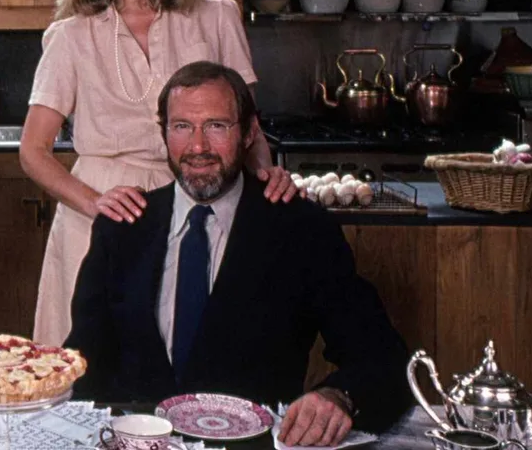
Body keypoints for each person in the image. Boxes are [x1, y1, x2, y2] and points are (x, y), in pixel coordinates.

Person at [64, 62, 414, 447]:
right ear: (163, 132)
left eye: (216, 126)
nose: (198, 147)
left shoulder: (301, 230)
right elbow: (81, 364)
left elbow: (384, 359)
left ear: (249, 133)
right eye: (182, 126)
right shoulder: (123, 227)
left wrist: (339, 396)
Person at [20, 0, 297, 347]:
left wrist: (268, 180)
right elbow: (33, 150)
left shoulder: (216, 17)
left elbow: (248, 131)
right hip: (100, 218)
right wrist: (94, 204)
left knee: (195, 357)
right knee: (87, 368)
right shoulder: (70, 37)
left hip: (200, 209)